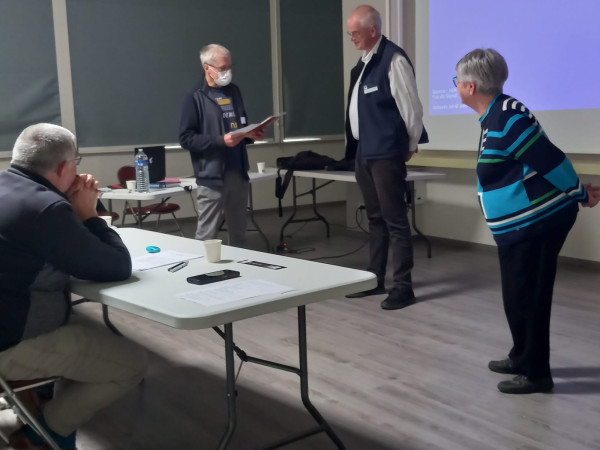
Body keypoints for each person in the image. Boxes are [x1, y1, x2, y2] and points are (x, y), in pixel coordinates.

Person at [454, 48, 600, 394]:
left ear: (471, 86)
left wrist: (580, 193)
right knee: (515, 294)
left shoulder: (508, 116)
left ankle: (536, 374)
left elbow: (551, 159)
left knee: (529, 296)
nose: (456, 86)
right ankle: (521, 356)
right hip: (517, 227)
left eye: (457, 81)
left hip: (538, 223)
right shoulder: (493, 115)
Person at [0, 123, 148, 448]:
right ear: (66, 166)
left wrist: (65, 205)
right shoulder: (45, 209)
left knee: (80, 330)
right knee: (132, 364)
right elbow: (116, 266)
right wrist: (89, 214)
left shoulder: (10, 188)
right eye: (76, 163)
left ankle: (36, 412)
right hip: (10, 343)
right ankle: (44, 434)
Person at [344, 5, 428, 310]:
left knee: (395, 219)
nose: (350, 37)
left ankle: (403, 286)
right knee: (375, 218)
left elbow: (411, 108)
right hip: (364, 151)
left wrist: (410, 143)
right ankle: (374, 279)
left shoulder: (393, 59)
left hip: (386, 153)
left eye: (354, 32)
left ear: (372, 31)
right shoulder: (364, 62)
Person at [179, 43, 264, 248]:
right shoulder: (194, 96)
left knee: (239, 235)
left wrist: (250, 134)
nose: (227, 72)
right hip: (212, 175)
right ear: (207, 68)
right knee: (206, 236)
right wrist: (220, 141)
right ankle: (201, 275)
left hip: (238, 171)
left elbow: (239, 124)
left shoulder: (234, 91)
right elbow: (186, 138)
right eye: (222, 68)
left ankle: (240, 276)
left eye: (229, 66)